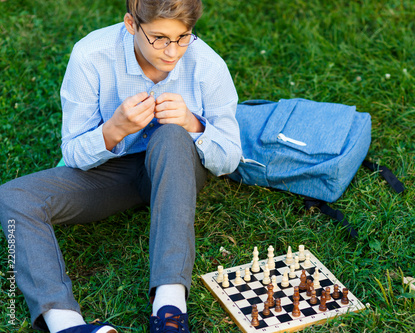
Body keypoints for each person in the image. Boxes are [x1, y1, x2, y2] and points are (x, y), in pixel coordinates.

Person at [0, 0, 241, 332]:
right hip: (113, 175)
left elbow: (229, 158)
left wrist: (193, 124)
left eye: (183, 37)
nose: (172, 51)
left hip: (177, 170)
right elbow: (72, 152)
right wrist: (113, 130)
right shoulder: (91, 56)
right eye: (159, 38)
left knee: (170, 135)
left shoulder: (208, 66)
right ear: (131, 24)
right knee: (13, 198)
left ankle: (169, 306)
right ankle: (66, 323)